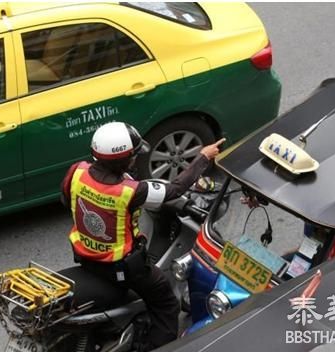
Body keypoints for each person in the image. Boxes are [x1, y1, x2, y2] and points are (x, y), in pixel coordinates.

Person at [60, 121, 224, 349]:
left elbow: (67, 201)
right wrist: (203, 158)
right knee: (166, 303)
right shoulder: (130, 191)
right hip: (121, 269)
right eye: (134, 155)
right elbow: (175, 190)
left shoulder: (77, 172)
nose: (136, 159)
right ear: (123, 160)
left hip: (85, 257)